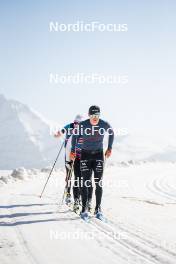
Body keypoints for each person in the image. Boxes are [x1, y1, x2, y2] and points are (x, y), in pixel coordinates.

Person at [70, 105, 114, 219]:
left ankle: (98, 209)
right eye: (93, 115)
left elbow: (111, 133)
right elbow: (74, 136)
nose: (95, 118)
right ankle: (84, 209)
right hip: (85, 155)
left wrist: (109, 148)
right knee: (86, 182)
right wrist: (72, 150)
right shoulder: (83, 124)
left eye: (97, 115)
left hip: (99, 155)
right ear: (89, 115)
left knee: (98, 183)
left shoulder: (104, 124)